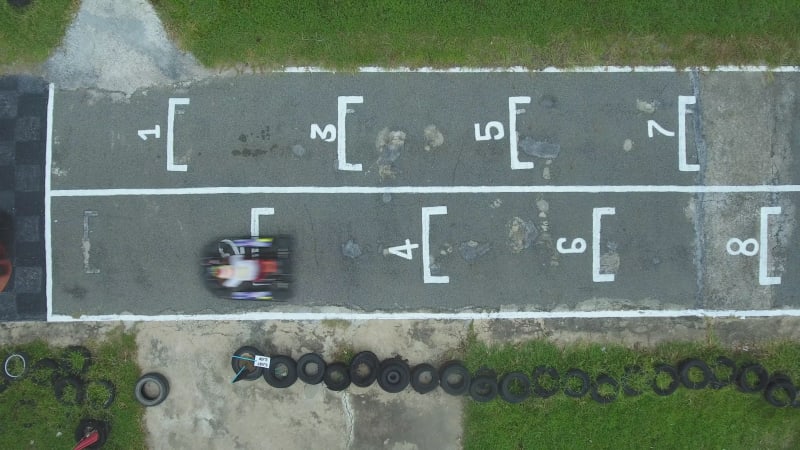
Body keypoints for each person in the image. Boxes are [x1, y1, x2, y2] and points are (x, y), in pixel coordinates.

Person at [212, 254, 278, 288]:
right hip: (258, 269)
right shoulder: (236, 264)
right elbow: (237, 257)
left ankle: (272, 270)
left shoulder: (235, 279)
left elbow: (226, 284)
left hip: (258, 273)